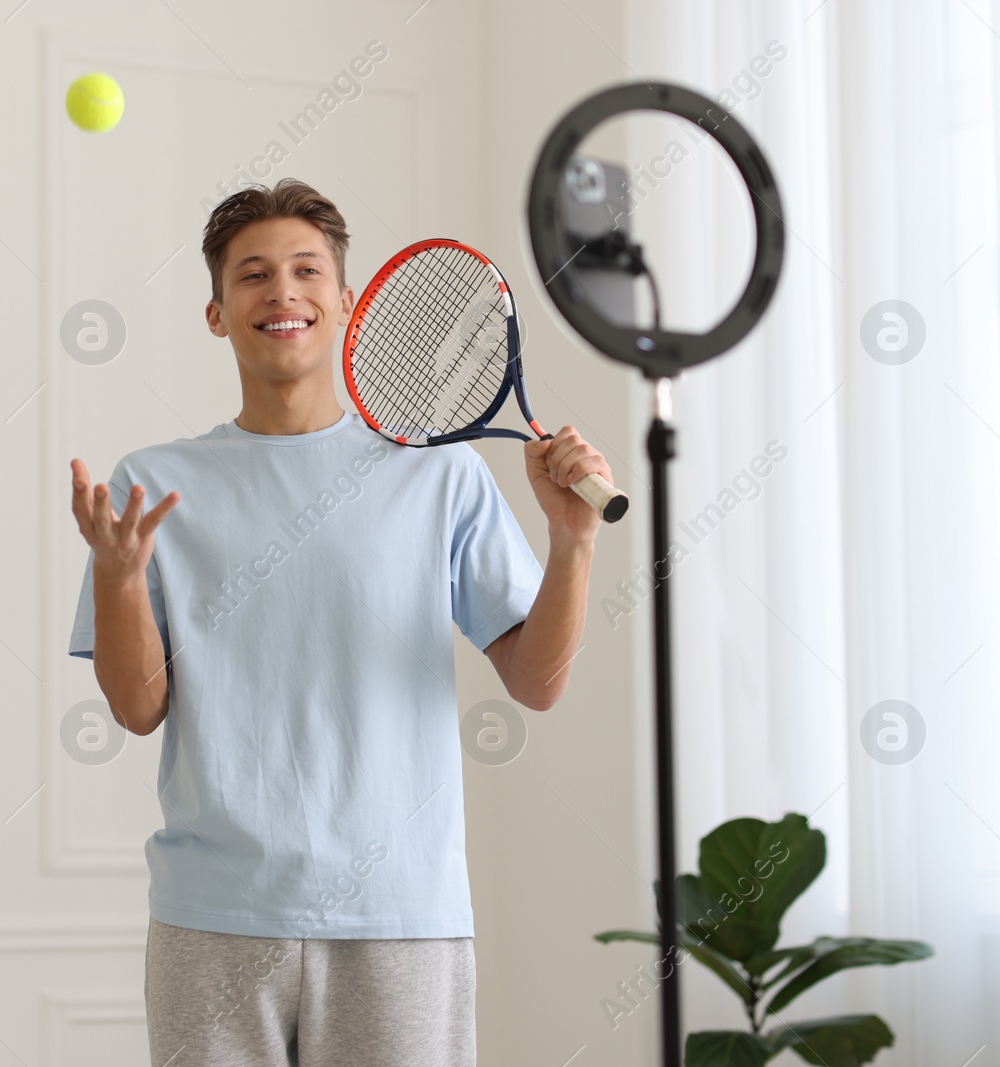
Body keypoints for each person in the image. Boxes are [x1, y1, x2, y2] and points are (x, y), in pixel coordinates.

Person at [68, 178, 609, 1067]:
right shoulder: (150, 486)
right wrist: (121, 576)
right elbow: (136, 707)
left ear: (346, 302)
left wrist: (573, 541)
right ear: (216, 313)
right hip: (214, 921)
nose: (281, 291)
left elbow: (537, 681)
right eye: (252, 275)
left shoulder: (439, 477)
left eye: (305, 269)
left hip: (402, 917)